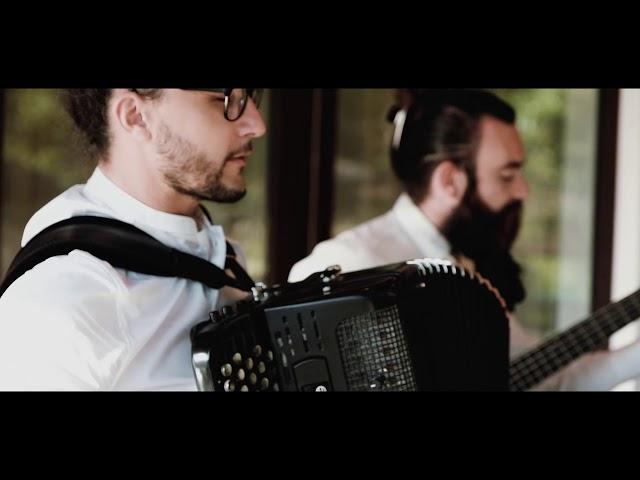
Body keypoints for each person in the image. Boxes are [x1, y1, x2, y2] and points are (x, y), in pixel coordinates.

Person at [289, 89, 640, 391]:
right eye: (507, 175)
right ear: (449, 181)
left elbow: (548, 378)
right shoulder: (349, 263)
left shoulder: (463, 271)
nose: (523, 190)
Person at [0, 88, 267, 390]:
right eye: (223, 100)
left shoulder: (224, 259)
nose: (257, 125)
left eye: (249, 97)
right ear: (135, 116)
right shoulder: (62, 297)